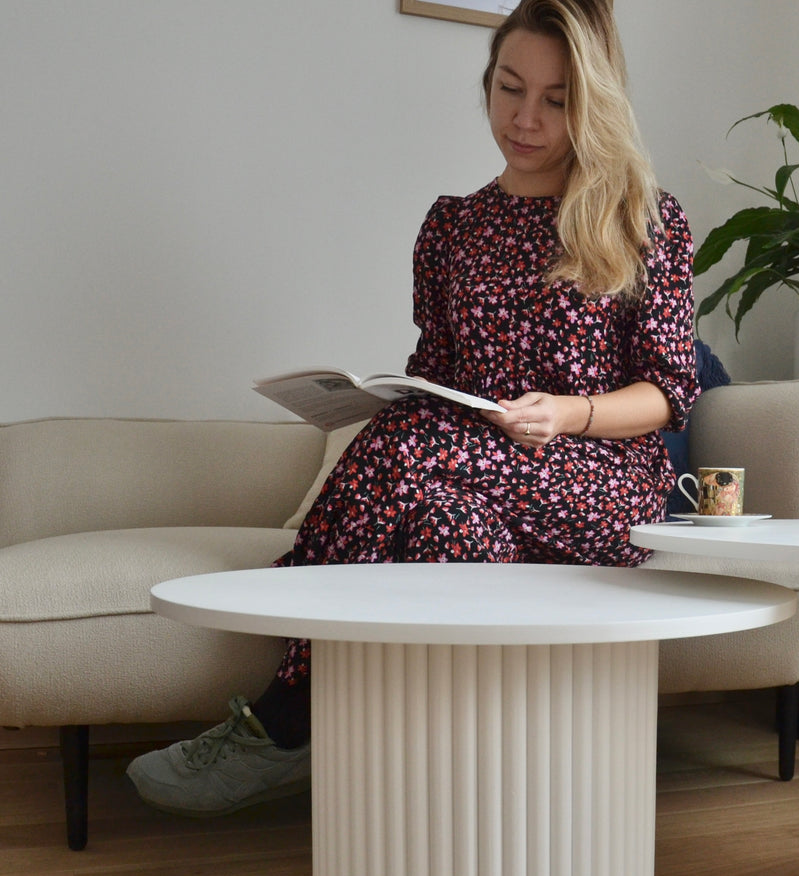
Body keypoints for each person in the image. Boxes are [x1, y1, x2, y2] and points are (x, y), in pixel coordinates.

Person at [126, 0, 698, 816]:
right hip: (470, 474)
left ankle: (282, 720)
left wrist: (566, 413)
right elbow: (434, 375)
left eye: (555, 99)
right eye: (508, 88)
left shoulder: (642, 219)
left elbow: (668, 393)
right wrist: (374, 397)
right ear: (486, 83)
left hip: (600, 483)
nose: (524, 117)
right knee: (440, 521)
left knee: (413, 447)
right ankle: (431, 787)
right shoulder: (453, 227)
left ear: (592, 103)